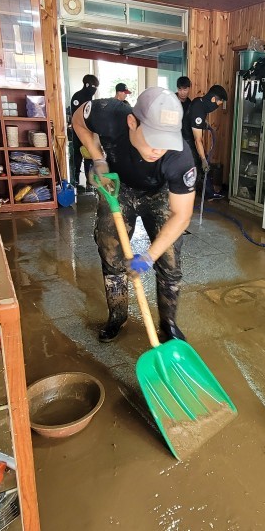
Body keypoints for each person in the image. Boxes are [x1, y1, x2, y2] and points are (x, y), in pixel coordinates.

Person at [72, 87, 196, 343]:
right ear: (132, 122)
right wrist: (98, 159)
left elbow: (181, 216)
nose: (159, 149)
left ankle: (169, 324)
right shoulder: (108, 113)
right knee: (111, 255)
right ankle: (118, 316)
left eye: (166, 139)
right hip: (118, 188)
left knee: (170, 262)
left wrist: (150, 256)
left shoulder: (180, 157)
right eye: (153, 137)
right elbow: (77, 120)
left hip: (158, 193)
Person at [182, 84, 228, 198]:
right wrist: (203, 160)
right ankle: (192, 196)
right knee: (200, 166)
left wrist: (204, 123)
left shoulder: (199, 101)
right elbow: (198, 140)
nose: (217, 107)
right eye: (218, 104)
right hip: (187, 141)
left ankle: (209, 193)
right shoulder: (199, 109)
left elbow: (194, 118)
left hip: (188, 138)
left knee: (203, 166)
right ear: (213, 99)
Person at [68, 74, 99, 190]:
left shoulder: (90, 98)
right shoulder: (78, 97)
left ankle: (89, 179)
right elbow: (78, 116)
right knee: (77, 155)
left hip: (88, 131)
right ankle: (75, 179)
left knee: (88, 155)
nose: (95, 89)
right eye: (94, 86)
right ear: (87, 85)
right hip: (77, 131)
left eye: (96, 87)